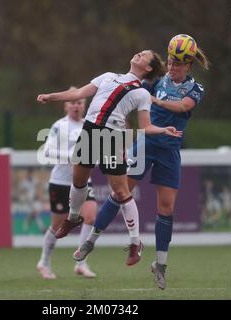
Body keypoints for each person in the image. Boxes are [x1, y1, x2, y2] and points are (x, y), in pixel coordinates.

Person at [75, 35, 210, 290]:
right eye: (171, 62)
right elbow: (125, 107)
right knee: (120, 192)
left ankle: (160, 264)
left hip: (169, 152)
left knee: (167, 208)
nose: (173, 67)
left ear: (188, 66)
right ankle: (90, 242)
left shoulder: (195, 89)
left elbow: (182, 107)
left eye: (178, 64)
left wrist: (158, 101)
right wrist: (124, 140)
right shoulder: (154, 83)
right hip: (145, 146)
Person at [37, 50, 182, 266]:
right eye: (139, 52)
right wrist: (51, 97)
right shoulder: (107, 76)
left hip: (111, 137)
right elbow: (78, 94)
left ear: (148, 68)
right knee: (77, 181)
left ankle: (135, 243)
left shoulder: (141, 93)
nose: (138, 54)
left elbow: (145, 126)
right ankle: (74, 217)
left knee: (121, 191)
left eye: (143, 55)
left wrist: (162, 130)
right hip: (90, 130)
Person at [36, 95, 98, 279]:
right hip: (60, 183)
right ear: (66, 106)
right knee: (57, 226)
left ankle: (81, 262)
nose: (76, 106)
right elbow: (47, 151)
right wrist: (73, 155)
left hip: (83, 181)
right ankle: (44, 262)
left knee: (91, 215)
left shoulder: (89, 125)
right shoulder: (59, 126)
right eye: (72, 103)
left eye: (79, 102)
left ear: (84, 105)